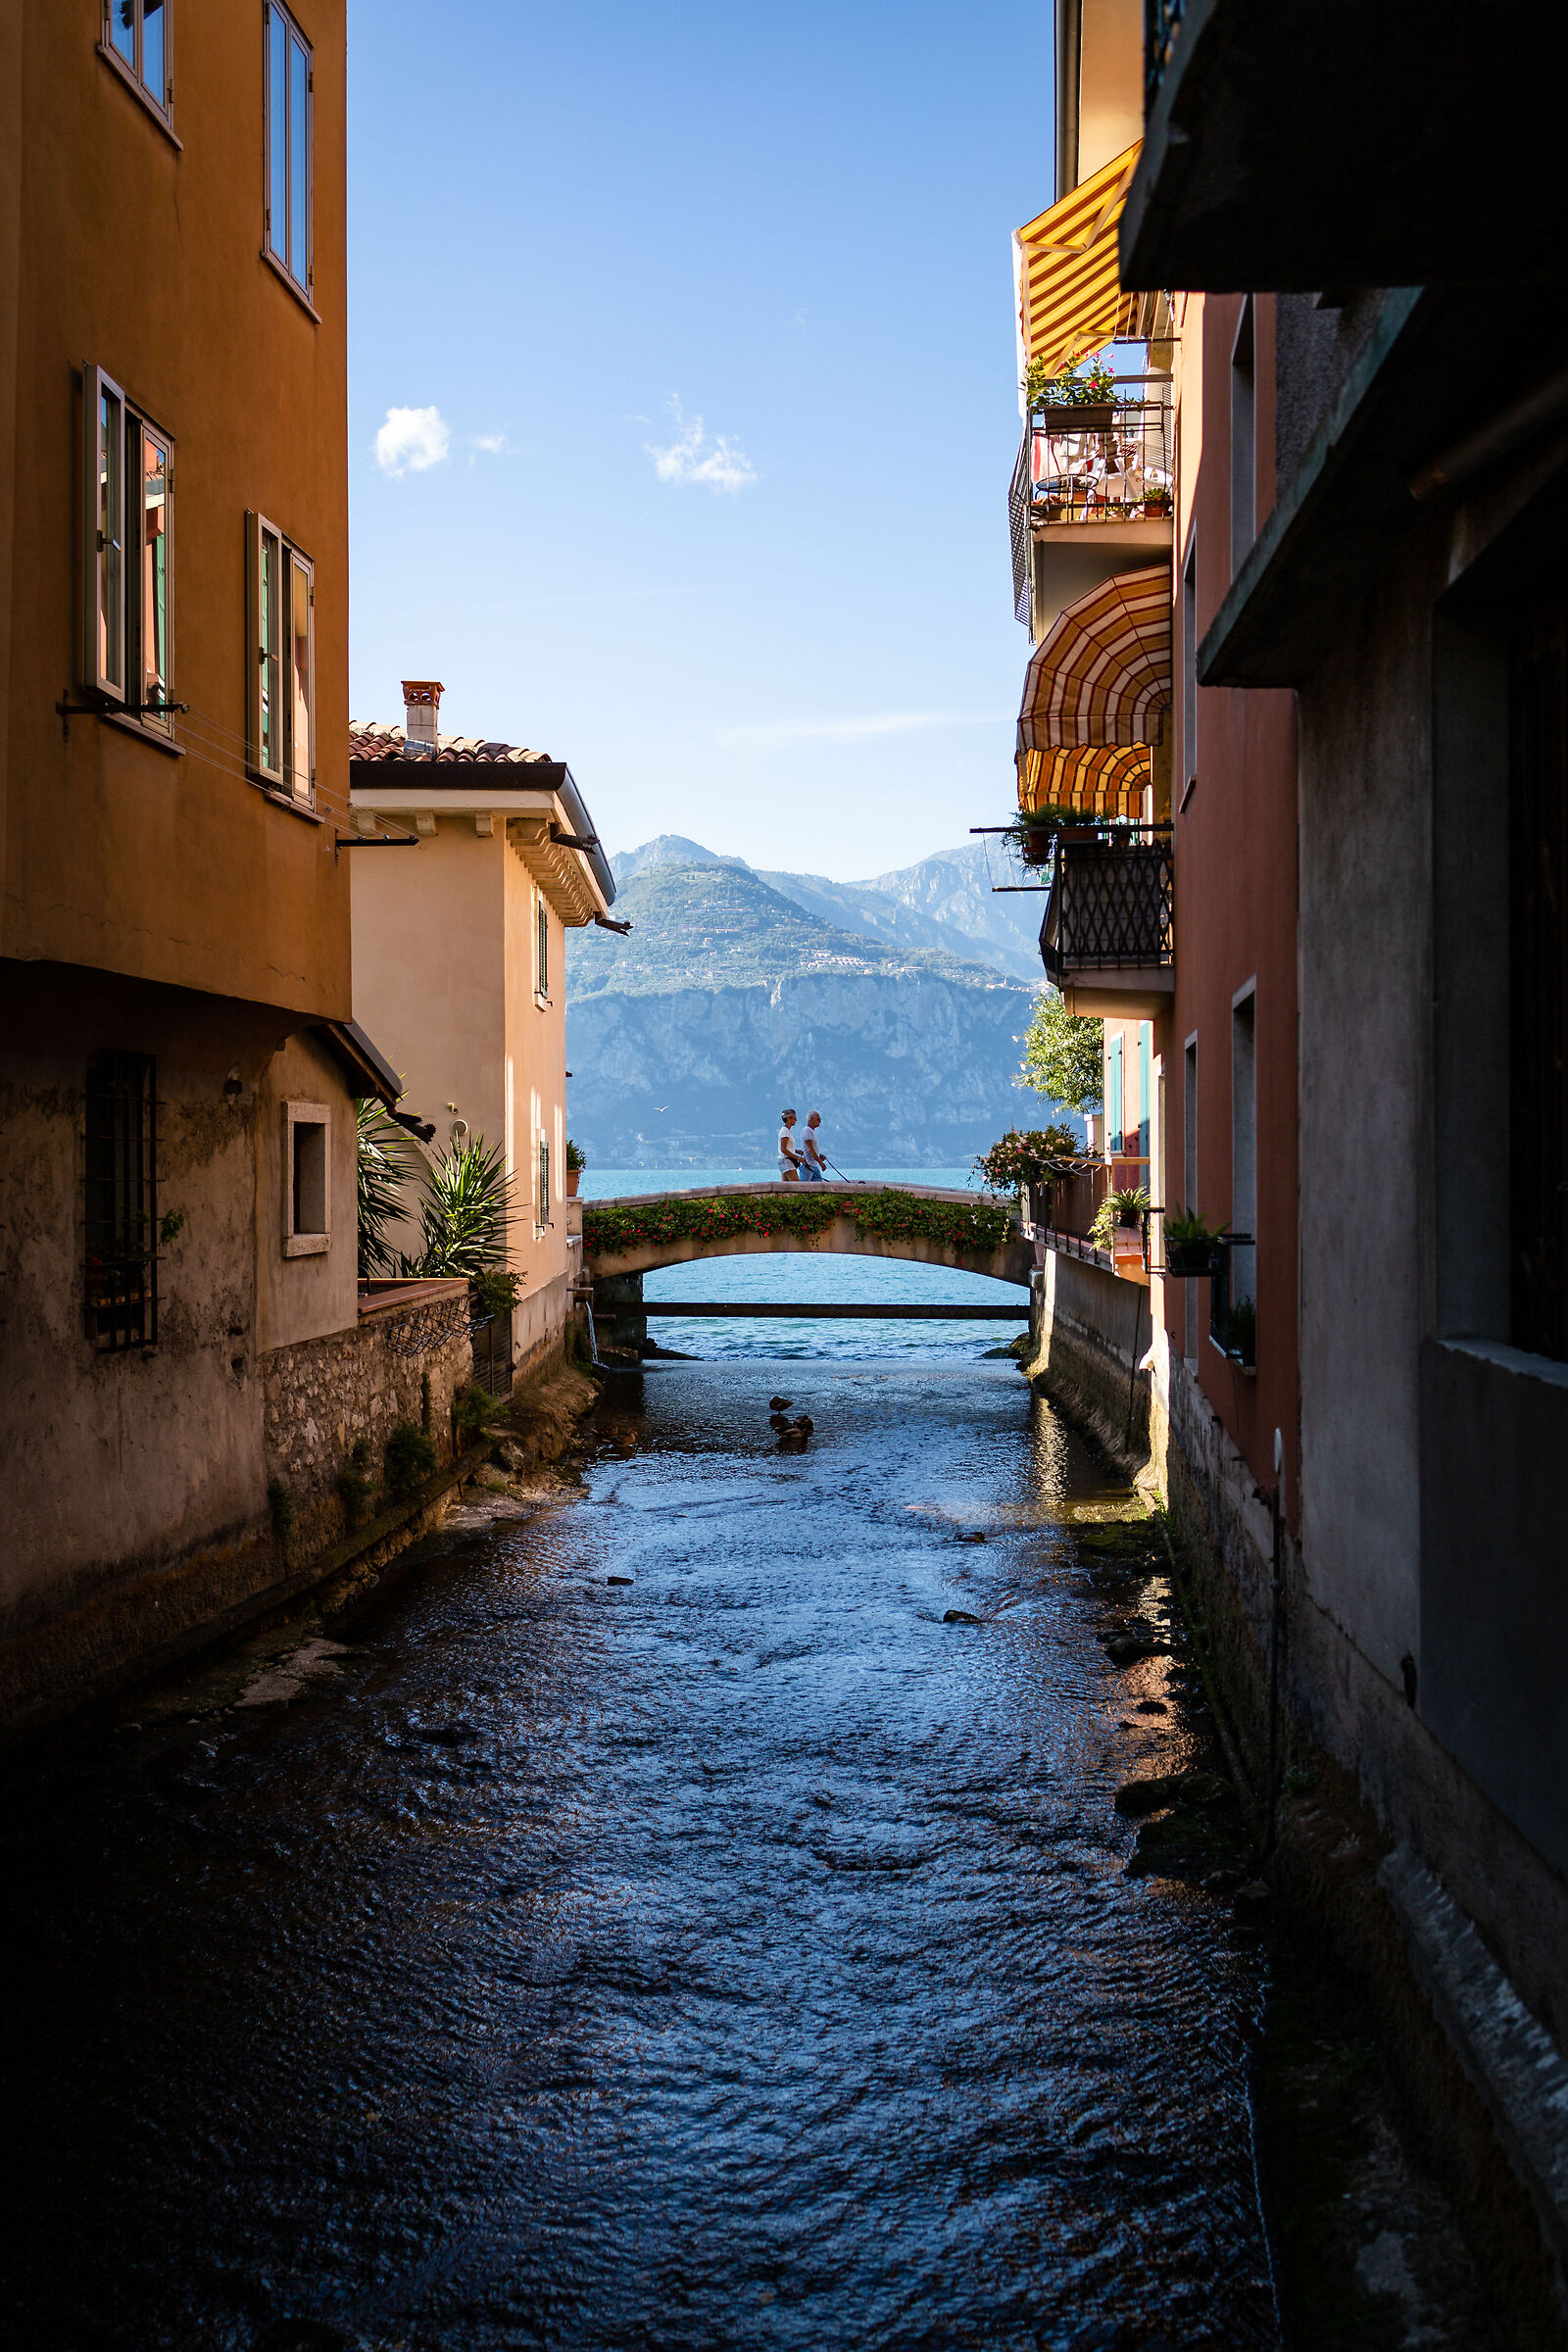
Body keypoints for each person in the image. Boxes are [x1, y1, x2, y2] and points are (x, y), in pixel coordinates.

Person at [799, 1109, 828, 1181]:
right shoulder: (807, 1130)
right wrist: (820, 1162)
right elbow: (810, 1149)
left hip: (813, 1166)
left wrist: (818, 1155)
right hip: (807, 1166)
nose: (820, 1121)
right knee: (805, 1188)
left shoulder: (811, 1131)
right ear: (811, 1119)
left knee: (818, 1187)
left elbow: (811, 1149)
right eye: (818, 1119)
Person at [777, 1108, 803, 1181]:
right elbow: (783, 1149)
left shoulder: (786, 1131)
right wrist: (798, 1158)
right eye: (794, 1118)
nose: (796, 1120)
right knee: (796, 1186)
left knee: (785, 1187)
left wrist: (796, 1151)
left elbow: (786, 1148)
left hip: (784, 1161)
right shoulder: (785, 1131)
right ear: (788, 1118)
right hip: (786, 1161)